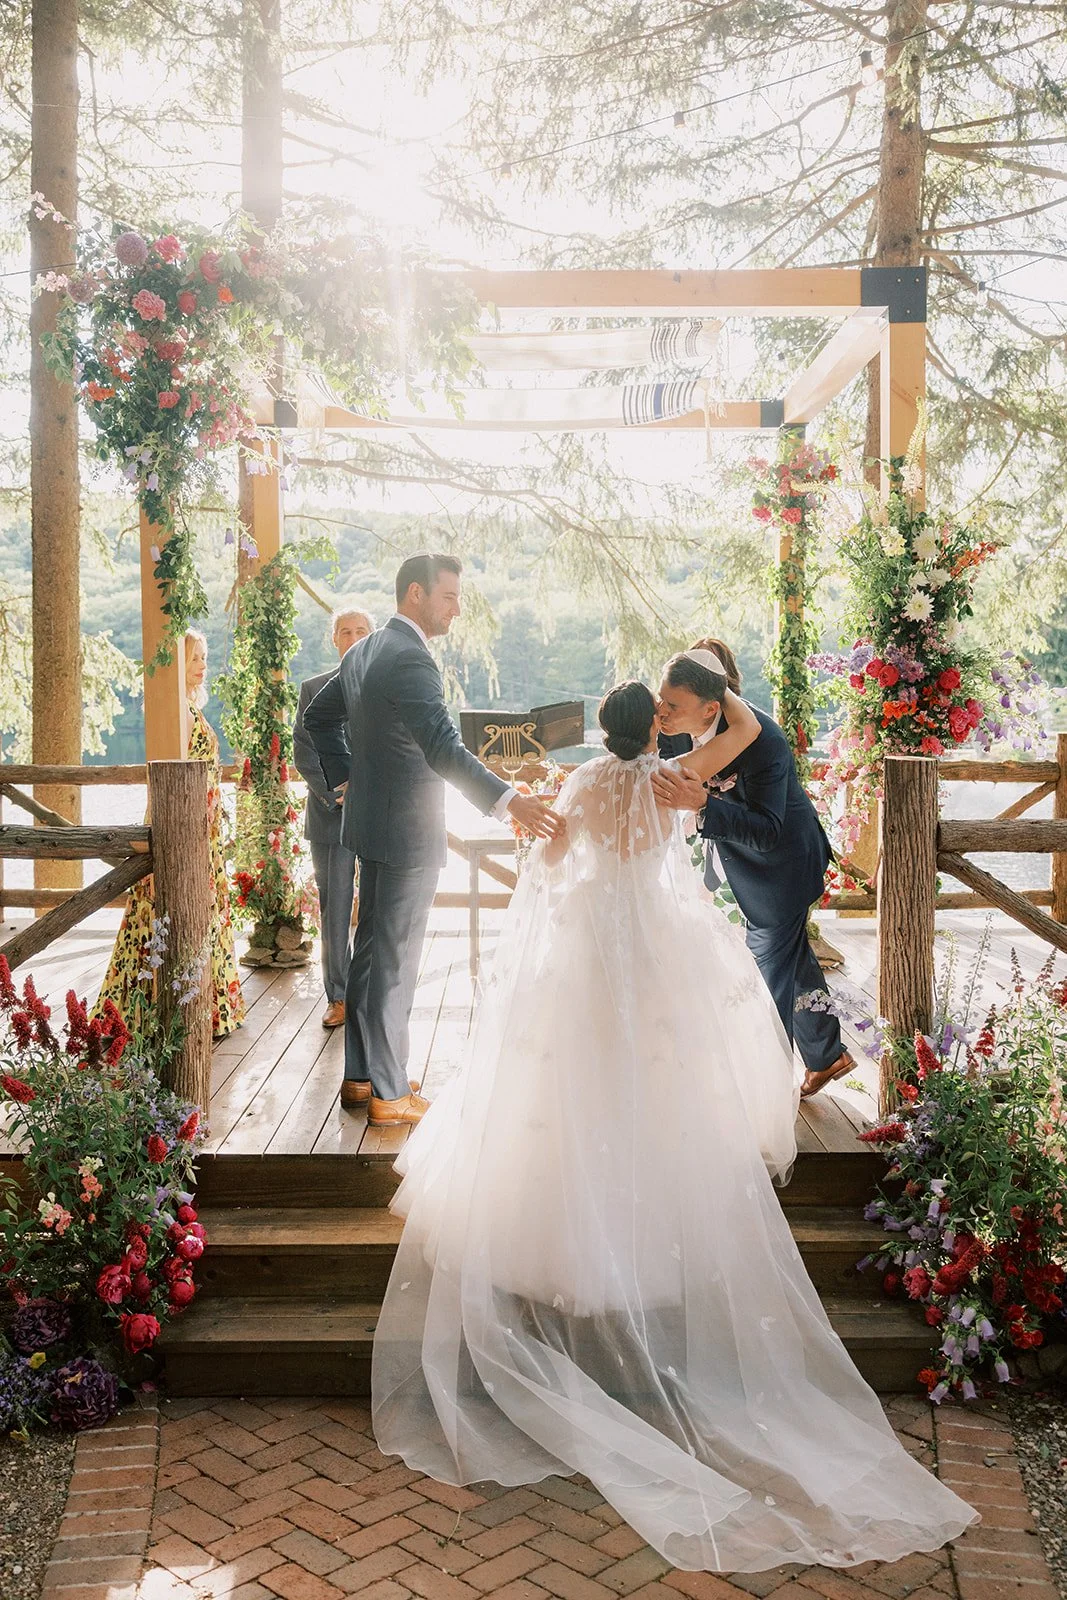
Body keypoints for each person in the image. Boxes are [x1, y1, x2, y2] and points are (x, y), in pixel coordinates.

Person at [371, 675, 976, 1571]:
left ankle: (569, 1272)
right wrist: (715, 690)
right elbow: (745, 727)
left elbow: (546, 869)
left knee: (565, 1093)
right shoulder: (675, 779)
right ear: (650, 726)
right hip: (653, 942)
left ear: (597, 730)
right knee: (660, 1086)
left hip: (585, 943)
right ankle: (643, 1264)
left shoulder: (579, 786)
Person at [303, 552, 564, 1127]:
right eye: (449, 596)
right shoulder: (410, 658)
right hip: (406, 831)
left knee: (371, 954)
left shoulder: (366, 650)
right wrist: (509, 801)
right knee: (394, 962)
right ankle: (391, 1095)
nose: (457, 607)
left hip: (370, 825)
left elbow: (319, 720)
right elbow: (444, 747)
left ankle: (362, 1076)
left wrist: (347, 778)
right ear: (415, 594)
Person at [651, 650, 855, 1099]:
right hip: (740, 867)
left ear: (710, 707)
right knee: (792, 963)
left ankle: (766, 1096)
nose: (661, 712)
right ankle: (826, 1056)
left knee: (770, 979)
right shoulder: (667, 728)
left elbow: (767, 831)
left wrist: (704, 805)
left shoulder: (764, 742)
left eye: (672, 706)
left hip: (780, 867)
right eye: (660, 700)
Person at [96, 630, 245, 1038]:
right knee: (164, 909)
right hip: (186, 827)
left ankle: (204, 1006)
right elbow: (168, 777)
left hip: (203, 827)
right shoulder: (175, 712)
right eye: (194, 657)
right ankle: (153, 1011)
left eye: (204, 656)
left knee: (201, 908)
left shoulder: (190, 709)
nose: (202, 664)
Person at [292, 606, 375, 1029]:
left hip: (379, 815)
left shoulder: (383, 686)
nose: (354, 637)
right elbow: (304, 752)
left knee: (380, 907)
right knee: (336, 907)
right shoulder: (313, 688)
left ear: (373, 636)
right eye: (346, 631)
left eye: (362, 630)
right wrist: (338, 794)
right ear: (334, 639)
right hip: (331, 816)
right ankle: (338, 997)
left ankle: (372, 995)